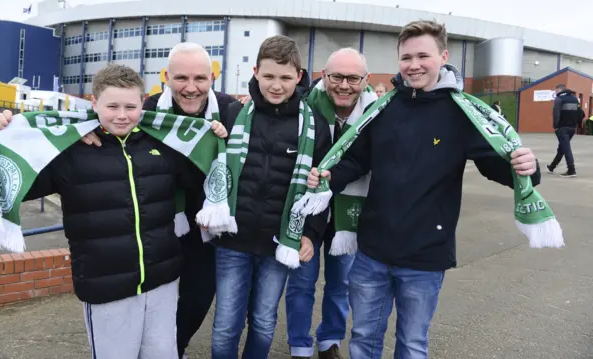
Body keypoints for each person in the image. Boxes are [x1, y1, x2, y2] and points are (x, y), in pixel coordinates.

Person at [0, 42, 236, 359]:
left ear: (143, 104)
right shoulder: (71, 153)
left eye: (130, 107)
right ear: (93, 103)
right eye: (112, 107)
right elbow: (17, 178)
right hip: (107, 288)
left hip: (162, 280)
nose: (121, 115)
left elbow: (201, 176)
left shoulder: (160, 145)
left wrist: (212, 137)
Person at [307, 20, 540, 359]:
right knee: (362, 340)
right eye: (406, 57)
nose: (413, 65)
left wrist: (525, 170)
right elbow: (356, 161)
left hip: (425, 256)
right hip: (372, 253)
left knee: (412, 344)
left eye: (423, 56)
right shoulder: (383, 109)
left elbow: (495, 165)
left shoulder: (461, 112)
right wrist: (327, 178)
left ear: (443, 56)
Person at [210, 35, 331, 359]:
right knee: (225, 326)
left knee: (263, 324)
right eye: (269, 76)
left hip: (279, 243)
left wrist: (310, 233)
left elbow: (320, 188)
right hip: (232, 240)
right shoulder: (233, 113)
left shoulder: (314, 125)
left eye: (285, 77)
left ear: (299, 76)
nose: (276, 85)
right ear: (255, 72)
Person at [285, 47, 376, 359]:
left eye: (353, 78)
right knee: (301, 282)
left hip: (348, 209)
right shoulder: (303, 107)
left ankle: (330, 341)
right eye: (337, 76)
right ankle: (299, 344)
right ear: (324, 76)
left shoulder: (377, 113)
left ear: (366, 80)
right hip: (307, 205)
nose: (344, 85)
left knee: (341, 284)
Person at [546, 84, 580, 177]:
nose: (555, 93)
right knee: (562, 148)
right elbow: (579, 113)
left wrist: (555, 126)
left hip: (562, 128)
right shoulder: (575, 99)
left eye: (555, 91)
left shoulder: (559, 99)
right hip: (572, 128)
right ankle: (552, 166)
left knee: (566, 148)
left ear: (559, 90)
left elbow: (556, 114)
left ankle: (571, 170)